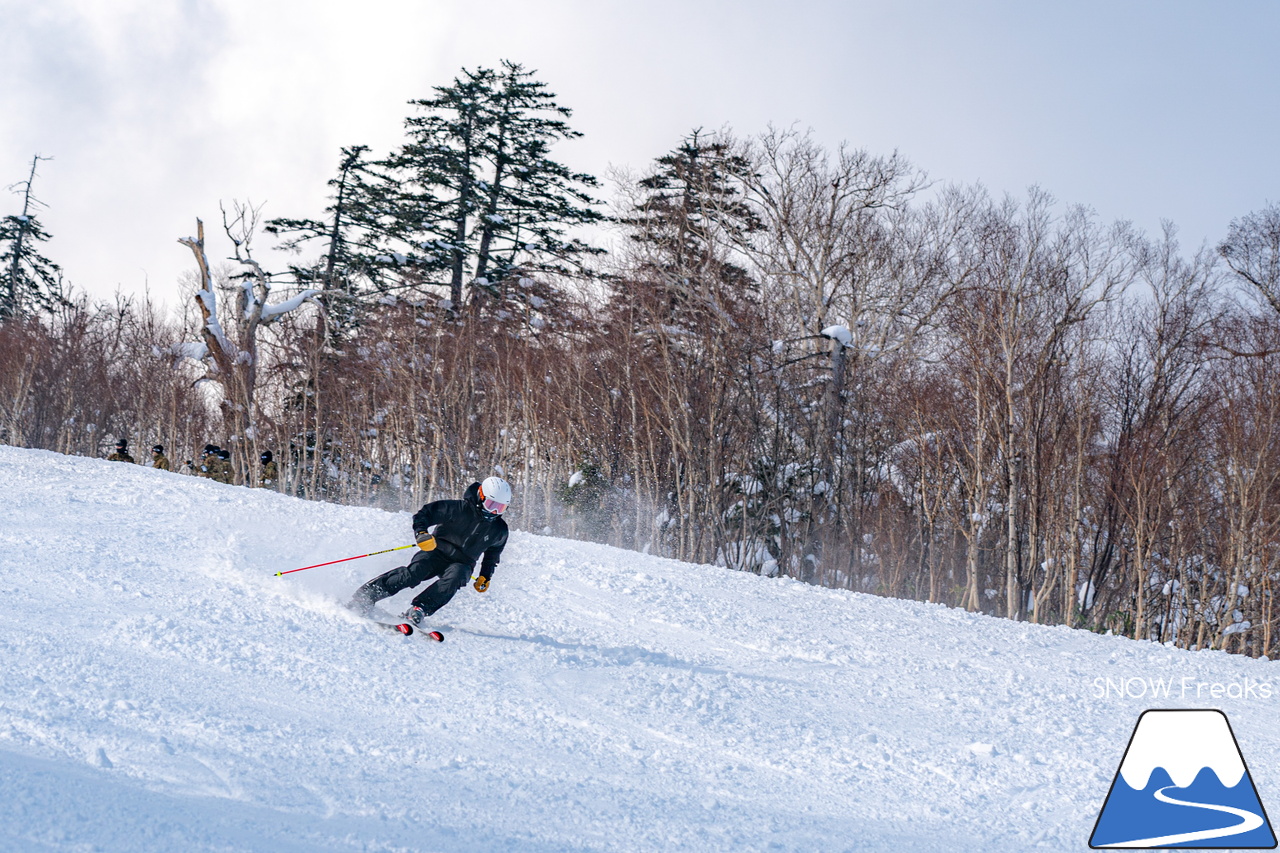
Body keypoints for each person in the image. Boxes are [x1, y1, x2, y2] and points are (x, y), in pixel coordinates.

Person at [348, 476, 511, 627]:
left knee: (456, 577)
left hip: (462, 563)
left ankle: (419, 610)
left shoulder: (500, 529)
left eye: (500, 508)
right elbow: (424, 514)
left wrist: (485, 576)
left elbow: (492, 556)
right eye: (491, 505)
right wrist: (421, 534)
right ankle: (366, 597)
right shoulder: (457, 509)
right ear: (480, 496)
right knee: (414, 573)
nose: (493, 513)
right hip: (435, 551)